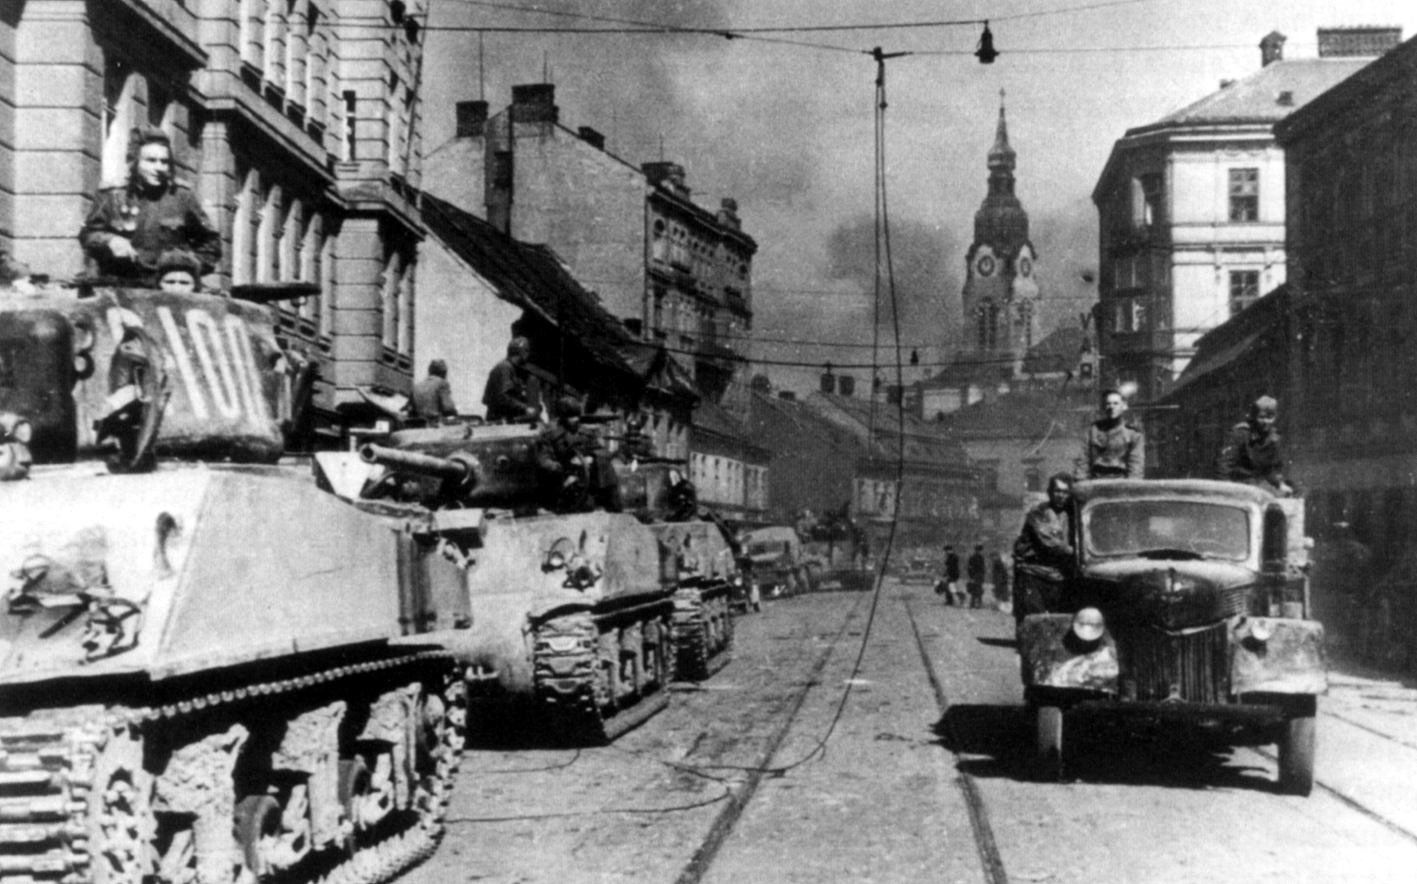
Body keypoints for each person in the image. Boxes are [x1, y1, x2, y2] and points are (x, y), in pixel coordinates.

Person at [79, 127, 221, 280]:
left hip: (168, 287)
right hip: (121, 284)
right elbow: (88, 234)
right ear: (135, 162)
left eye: (164, 162)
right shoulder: (112, 194)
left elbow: (211, 243)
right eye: (151, 161)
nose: (159, 168)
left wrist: (187, 269)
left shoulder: (182, 196)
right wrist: (110, 241)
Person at [534, 396, 620, 513]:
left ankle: (614, 507)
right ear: (563, 417)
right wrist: (564, 467)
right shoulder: (550, 435)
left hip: (586, 475)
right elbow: (543, 460)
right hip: (562, 477)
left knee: (606, 468)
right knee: (585, 503)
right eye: (571, 416)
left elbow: (602, 451)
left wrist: (592, 458)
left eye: (577, 416)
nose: (575, 419)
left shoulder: (585, 432)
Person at [1013, 473, 1076, 623]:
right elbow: (1049, 542)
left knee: (1062, 623)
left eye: (1065, 492)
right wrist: (1075, 552)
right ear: (1050, 492)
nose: (1061, 495)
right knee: (1033, 622)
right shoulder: (1038, 512)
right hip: (1033, 574)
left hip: (1058, 577)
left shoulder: (1072, 515)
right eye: (1057, 491)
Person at [1217, 395, 1291, 495]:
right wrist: (1228, 492)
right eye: (1261, 417)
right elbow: (1223, 468)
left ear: (1275, 417)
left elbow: (1273, 469)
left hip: (1259, 487)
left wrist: (1280, 484)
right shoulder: (1240, 434)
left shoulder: (1274, 437)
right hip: (1238, 486)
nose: (1265, 422)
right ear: (1254, 416)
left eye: (1269, 417)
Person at [1080, 388, 1144, 479]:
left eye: (1116, 403)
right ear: (1104, 407)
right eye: (1108, 403)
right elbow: (1084, 459)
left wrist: (1131, 486)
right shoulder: (1093, 430)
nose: (1111, 407)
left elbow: (1136, 466)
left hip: (1121, 482)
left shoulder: (1133, 434)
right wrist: (1081, 482)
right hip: (1096, 480)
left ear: (1124, 406)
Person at [482, 336, 540, 422]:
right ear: (523, 353)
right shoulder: (505, 368)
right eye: (526, 352)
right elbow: (502, 397)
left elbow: (511, 396)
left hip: (503, 419)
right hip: (500, 420)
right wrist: (525, 408)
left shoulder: (507, 367)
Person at [410, 359, 457, 424]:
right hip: (435, 424)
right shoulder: (442, 383)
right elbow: (449, 408)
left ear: (429, 371)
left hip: (419, 424)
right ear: (443, 373)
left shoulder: (416, 386)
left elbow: (411, 410)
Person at [966, 544, 987, 609]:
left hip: (976, 576)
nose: (979, 551)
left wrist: (971, 576)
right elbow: (981, 569)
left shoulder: (974, 557)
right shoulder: (978, 558)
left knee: (975, 590)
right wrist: (972, 576)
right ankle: (977, 604)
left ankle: (974, 603)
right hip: (977, 576)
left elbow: (970, 568)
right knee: (977, 590)